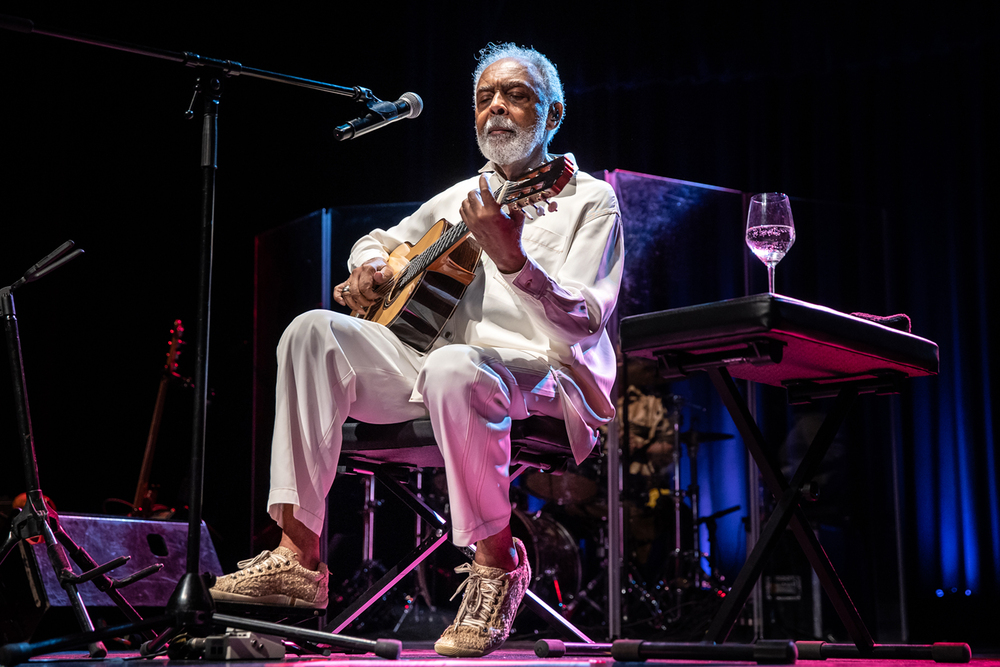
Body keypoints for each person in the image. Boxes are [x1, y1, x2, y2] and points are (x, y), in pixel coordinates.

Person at [209, 43, 624, 657]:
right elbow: (377, 240)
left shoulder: (589, 200)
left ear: (554, 114)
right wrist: (371, 266)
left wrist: (515, 260)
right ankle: (299, 556)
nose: (497, 109)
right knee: (310, 331)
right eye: (484, 98)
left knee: (455, 364)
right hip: (439, 374)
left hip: (547, 380)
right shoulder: (463, 196)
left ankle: (498, 565)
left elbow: (584, 324)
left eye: (516, 95)